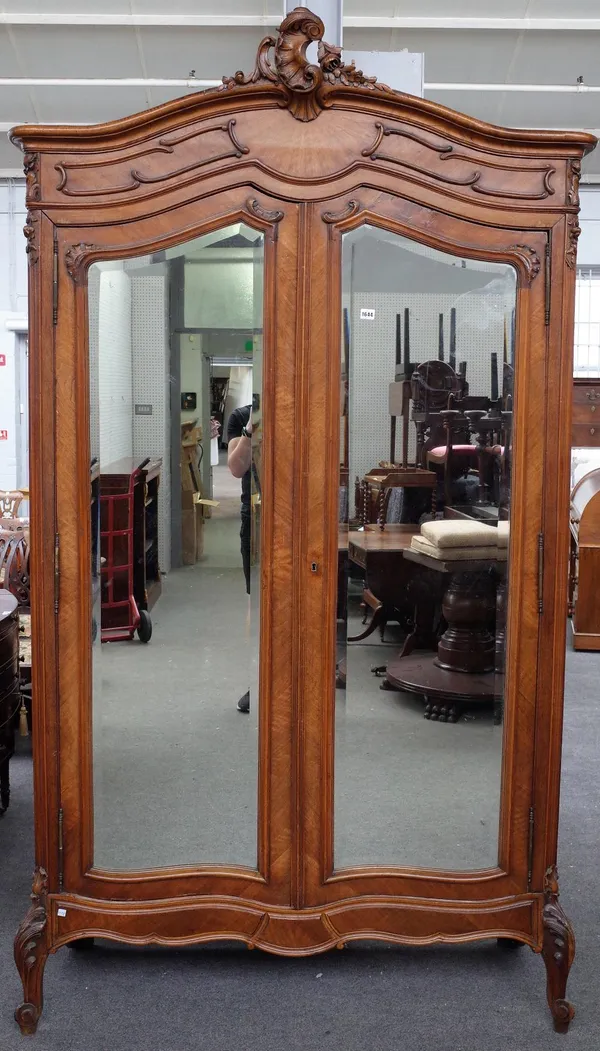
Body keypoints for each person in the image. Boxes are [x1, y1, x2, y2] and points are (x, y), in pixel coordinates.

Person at [227, 403, 253, 712]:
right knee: (256, 602)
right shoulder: (241, 417)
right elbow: (235, 468)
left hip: (299, 522)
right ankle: (257, 679)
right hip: (256, 520)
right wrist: (251, 429)